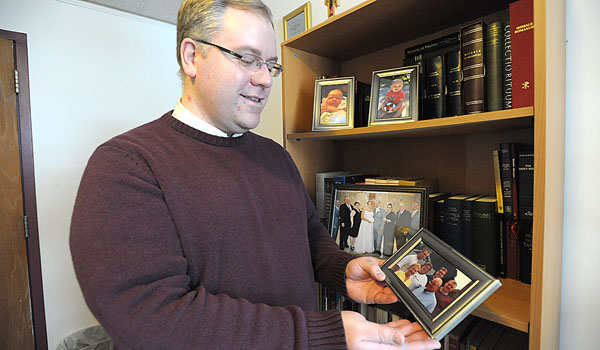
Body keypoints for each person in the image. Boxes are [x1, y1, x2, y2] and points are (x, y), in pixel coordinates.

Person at [69, 1, 440, 348]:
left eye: (272, 65)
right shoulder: (126, 164)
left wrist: (342, 270)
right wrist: (317, 336)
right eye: (248, 59)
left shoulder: (275, 155)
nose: (265, 79)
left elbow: (308, 237)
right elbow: (149, 317)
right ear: (191, 56)